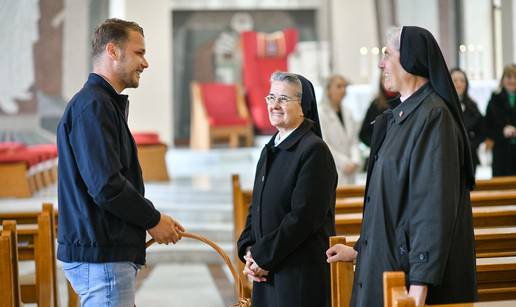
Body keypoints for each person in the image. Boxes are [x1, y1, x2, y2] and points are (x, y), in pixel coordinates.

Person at [326, 26, 477, 307]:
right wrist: (361, 250)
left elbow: (432, 206)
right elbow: (394, 203)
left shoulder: (434, 117)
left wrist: (418, 287)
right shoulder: (403, 115)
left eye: (387, 54)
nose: (381, 63)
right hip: (387, 268)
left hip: (406, 283)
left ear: (411, 58)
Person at [56, 18, 184, 306]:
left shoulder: (102, 103)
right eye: (139, 53)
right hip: (103, 254)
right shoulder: (94, 105)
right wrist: (153, 220)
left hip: (105, 251)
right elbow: (106, 186)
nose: (146, 63)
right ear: (112, 51)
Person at [237, 71, 337, 307]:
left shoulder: (313, 151)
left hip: (298, 276)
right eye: (271, 98)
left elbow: (303, 218)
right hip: (267, 272)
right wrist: (249, 250)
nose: (274, 105)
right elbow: (257, 205)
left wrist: (263, 257)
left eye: (283, 99)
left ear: (303, 106)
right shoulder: (271, 147)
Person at [318, 75, 361, 185]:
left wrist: (355, 161)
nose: (343, 90)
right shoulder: (321, 113)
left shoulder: (348, 112)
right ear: (328, 90)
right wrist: (344, 163)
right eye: (339, 86)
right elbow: (324, 144)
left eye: (344, 86)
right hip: (334, 167)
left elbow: (354, 141)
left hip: (351, 169)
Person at [450, 67, 485, 175]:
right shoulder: (442, 104)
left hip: (469, 157)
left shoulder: (472, 106)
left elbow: (482, 131)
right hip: (449, 157)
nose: (459, 83)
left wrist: (471, 145)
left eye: (462, 80)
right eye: (455, 80)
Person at [485, 64, 516, 176]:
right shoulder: (494, 100)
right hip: (501, 153)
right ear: (503, 80)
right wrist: (503, 131)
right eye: (509, 77)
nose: (512, 80)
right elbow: (487, 128)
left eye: (515, 77)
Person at [359, 76, 397, 148]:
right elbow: (364, 134)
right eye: (384, 78)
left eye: (390, 77)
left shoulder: (406, 101)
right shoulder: (376, 104)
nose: (388, 81)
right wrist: (378, 145)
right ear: (380, 82)